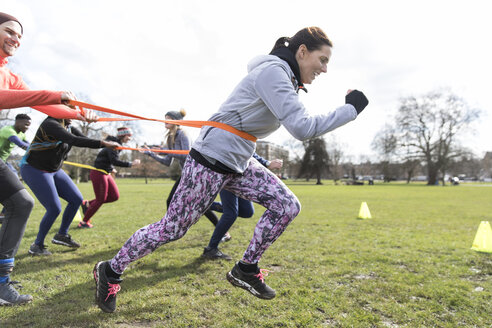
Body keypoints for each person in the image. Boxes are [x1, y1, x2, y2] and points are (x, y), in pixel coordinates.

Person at [93, 26, 368, 313]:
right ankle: (110, 270)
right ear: (302, 52)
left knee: (286, 205)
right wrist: (350, 109)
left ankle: (246, 268)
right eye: (322, 60)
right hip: (211, 159)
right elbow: (302, 127)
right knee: (173, 228)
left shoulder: (285, 79)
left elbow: (252, 126)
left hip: (238, 161)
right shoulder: (273, 73)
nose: (324, 69)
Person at [0, 11, 97, 305]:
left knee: (21, 203)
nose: (16, 39)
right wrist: (51, 94)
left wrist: (79, 113)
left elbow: (48, 107)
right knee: (20, 204)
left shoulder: (11, 75)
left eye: (20, 35)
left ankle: (2, 282)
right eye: (9, 31)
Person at [20, 116, 120, 255]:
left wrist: (108, 142)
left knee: (76, 199)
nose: (72, 117)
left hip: (53, 170)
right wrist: (103, 143)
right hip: (34, 169)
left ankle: (61, 235)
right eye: (68, 112)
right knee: (54, 208)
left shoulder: (68, 126)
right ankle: (37, 245)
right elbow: (74, 140)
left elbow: (84, 139)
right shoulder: (50, 124)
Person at [141, 109, 223, 231]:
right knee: (198, 205)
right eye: (165, 118)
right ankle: (222, 231)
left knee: (184, 202)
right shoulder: (170, 137)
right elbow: (167, 161)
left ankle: (170, 229)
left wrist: (165, 151)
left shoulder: (182, 134)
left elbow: (186, 154)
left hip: (195, 172)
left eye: (168, 118)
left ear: (175, 121)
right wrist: (151, 153)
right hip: (187, 174)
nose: (165, 121)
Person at [202, 155, 283, 260]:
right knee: (230, 214)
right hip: (227, 172)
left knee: (247, 211)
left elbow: (249, 150)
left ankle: (207, 206)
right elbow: (244, 149)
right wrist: (267, 163)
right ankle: (211, 248)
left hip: (241, 177)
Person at [78, 127, 141, 228]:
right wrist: (131, 164)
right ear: (123, 135)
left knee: (114, 196)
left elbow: (108, 159)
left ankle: (87, 203)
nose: (129, 139)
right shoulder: (113, 144)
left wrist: (111, 168)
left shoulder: (117, 144)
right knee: (100, 199)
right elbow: (114, 160)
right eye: (128, 136)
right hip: (99, 173)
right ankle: (84, 222)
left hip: (106, 173)